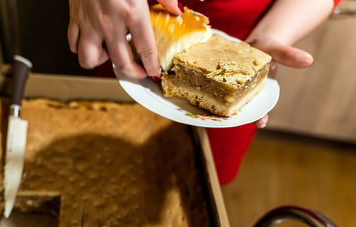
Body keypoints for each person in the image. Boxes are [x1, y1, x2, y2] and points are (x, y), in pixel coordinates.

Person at [67, 0, 340, 185]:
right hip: (129, 37)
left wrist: (271, 36)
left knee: (195, 181)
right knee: (107, 165)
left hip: (244, 42)